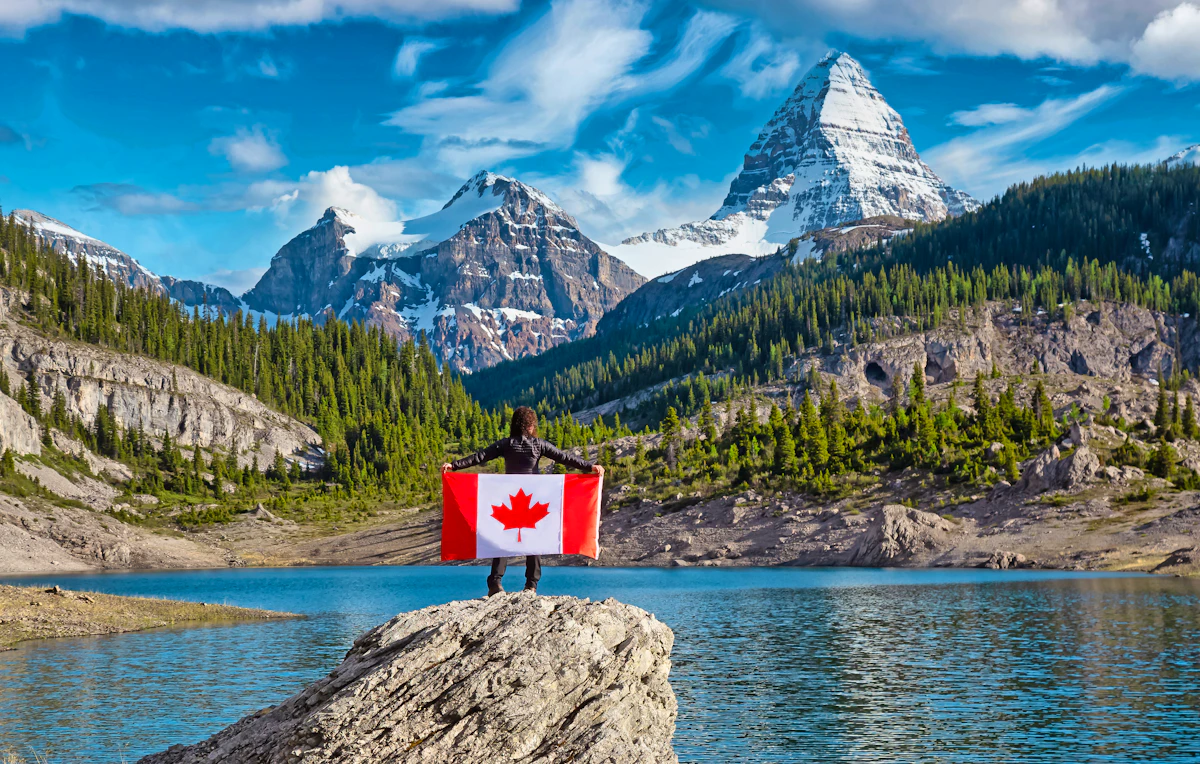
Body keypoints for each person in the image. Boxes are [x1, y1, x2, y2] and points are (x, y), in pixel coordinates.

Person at [443, 406, 603, 596]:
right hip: (532, 497)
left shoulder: (506, 444)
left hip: (509, 497)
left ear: (515, 425)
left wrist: (454, 465)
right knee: (534, 539)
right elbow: (564, 457)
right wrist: (589, 466)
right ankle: (531, 585)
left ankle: (495, 582)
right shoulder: (539, 444)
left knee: (502, 537)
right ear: (531, 426)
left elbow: (480, 456)